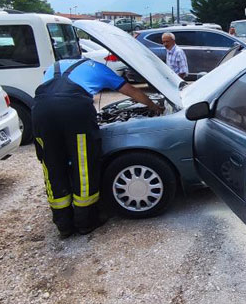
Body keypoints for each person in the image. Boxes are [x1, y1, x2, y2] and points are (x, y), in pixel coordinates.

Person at [32, 58, 162, 238]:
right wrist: (153, 106)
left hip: (40, 110)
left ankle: (63, 224)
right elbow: (130, 90)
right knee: (83, 164)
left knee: (52, 165)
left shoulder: (54, 66)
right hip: (74, 109)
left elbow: (53, 96)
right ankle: (85, 221)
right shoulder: (99, 68)